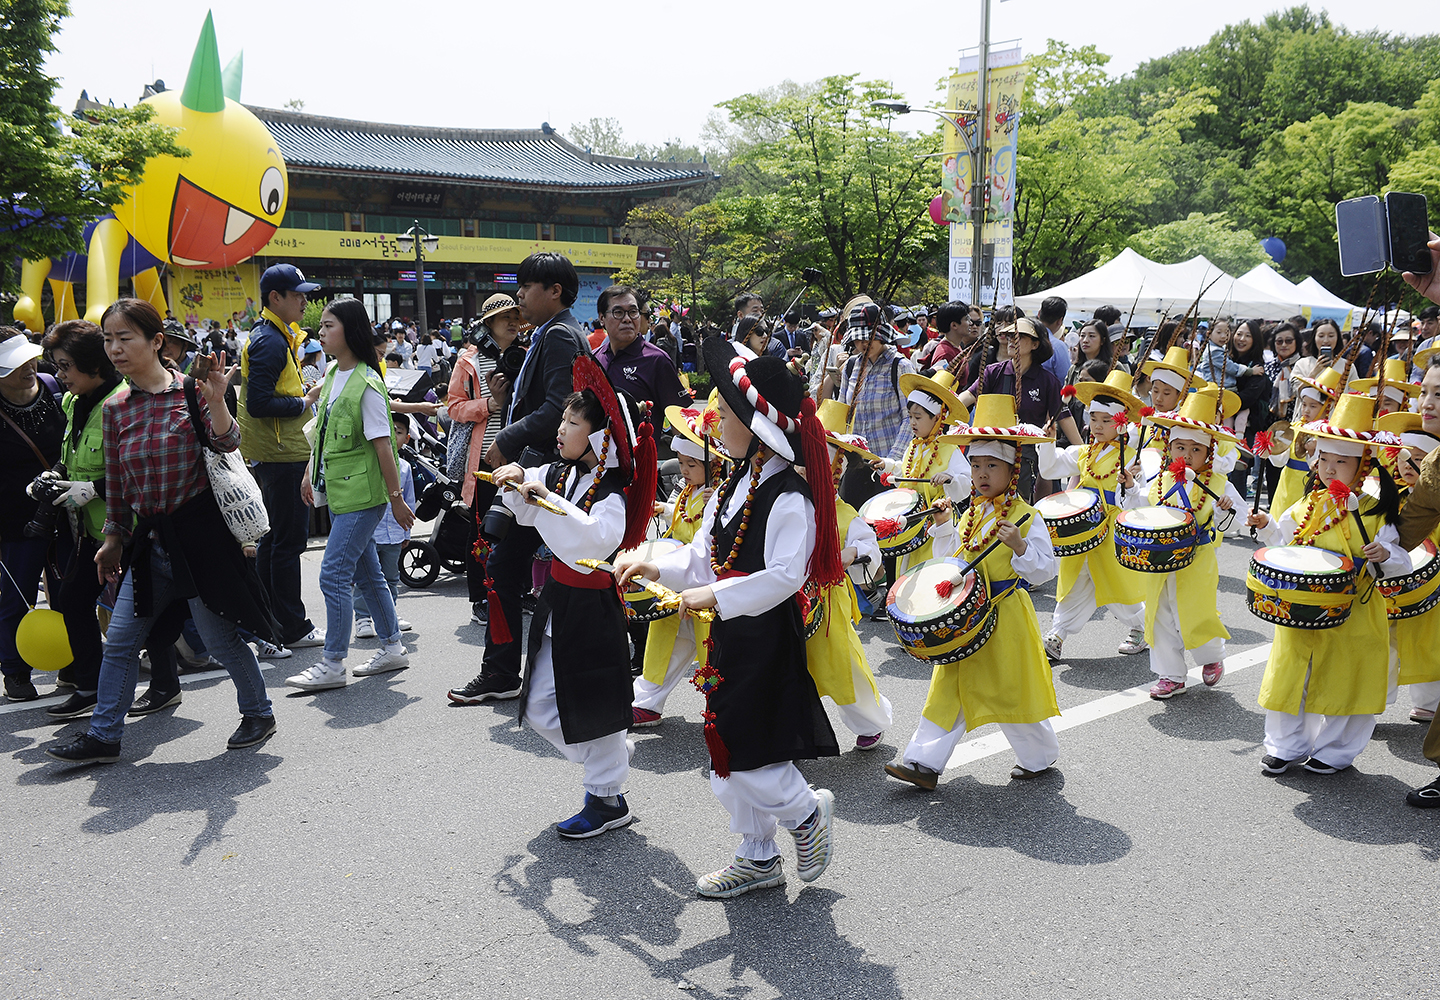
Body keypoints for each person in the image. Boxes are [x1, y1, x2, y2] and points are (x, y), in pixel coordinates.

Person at [617, 338, 839, 900]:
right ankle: (757, 854)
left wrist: (712, 596)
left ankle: (806, 812)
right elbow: (701, 557)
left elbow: (787, 577)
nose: (713, 417)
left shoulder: (789, 496)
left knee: (752, 750)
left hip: (764, 636)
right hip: (730, 634)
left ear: (755, 426)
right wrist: (655, 562)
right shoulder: (736, 483)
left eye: (724, 410)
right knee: (725, 747)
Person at [44, 299, 278, 764]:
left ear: (155, 342)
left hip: (200, 541)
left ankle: (259, 712)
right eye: (108, 339)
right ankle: (104, 735)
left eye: (124, 337)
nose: (114, 348)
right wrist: (113, 539)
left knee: (218, 640)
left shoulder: (192, 391)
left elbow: (228, 444)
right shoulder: (116, 409)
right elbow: (119, 484)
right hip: (148, 545)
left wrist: (217, 403)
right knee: (122, 642)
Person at [492, 353, 656, 837]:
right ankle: (608, 767)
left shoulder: (611, 491)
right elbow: (528, 508)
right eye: (562, 418)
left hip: (592, 605)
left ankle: (606, 796)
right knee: (541, 704)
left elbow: (590, 540)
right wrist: (516, 483)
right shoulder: (562, 474)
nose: (560, 429)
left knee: (595, 705)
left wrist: (537, 496)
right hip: (558, 600)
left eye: (572, 421)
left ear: (601, 436)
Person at [885, 394, 1062, 790]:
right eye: (976, 465)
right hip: (965, 617)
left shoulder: (1026, 517)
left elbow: (1045, 571)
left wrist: (1019, 546)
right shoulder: (972, 512)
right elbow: (951, 560)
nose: (981, 474)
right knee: (947, 687)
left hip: (1005, 617)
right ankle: (922, 763)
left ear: (1013, 470)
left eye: (992, 466)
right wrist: (947, 525)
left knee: (1012, 689)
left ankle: (1039, 755)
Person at [451, 252, 588, 705]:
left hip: (545, 475)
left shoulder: (560, 336)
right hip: (542, 472)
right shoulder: (551, 333)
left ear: (554, 292)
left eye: (527, 287)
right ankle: (510, 672)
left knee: (515, 570)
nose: (520, 295)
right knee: (511, 568)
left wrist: (505, 441)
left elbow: (557, 409)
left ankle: (512, 672)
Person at [1246, 393, 1407, 774]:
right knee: (1291, 675)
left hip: (1354, 611)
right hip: (1301, 608)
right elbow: (1285, 543)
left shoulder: (1374, 511)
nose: (1330, 468)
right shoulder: (1308, 504)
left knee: (1346, 678)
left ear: (1364, 466)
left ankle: (1335, 751)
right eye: (1324, 459)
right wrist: (1267, 525)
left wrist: (1384, 555)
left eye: (1342, 462)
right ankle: (1285, 746)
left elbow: (1398, 557)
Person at [286, 298, 415, 692]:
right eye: (320, 326)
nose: (320, 333)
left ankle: (332, 663)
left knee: (333, 574)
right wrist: (311, 471)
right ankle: (393, 646)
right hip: (342, 491)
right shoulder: (331, 371)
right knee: (366, 572)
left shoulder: (367, 382)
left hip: (364, 495)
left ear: (350, 330)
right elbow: (322, 431)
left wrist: (396, 498)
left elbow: (383, 448)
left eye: (328, 326)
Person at [1127, 389, 1246, 701]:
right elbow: (1142, 503)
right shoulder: (1162, 478)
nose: (1186, 455)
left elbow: (1235, 520)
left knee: (1195, 611)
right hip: (1159, 557)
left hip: (1197, 557)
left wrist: (1223, 508)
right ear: (1169, 447)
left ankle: (1210, 656)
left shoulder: (1219, 483)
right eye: (1180, 447)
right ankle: (1170, 675)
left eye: (1195, 449)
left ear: (1208, 454)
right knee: (1159, 613)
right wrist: (1130, 487)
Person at [34, 321, 126, 718]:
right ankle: (90, 685)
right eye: (57, 366)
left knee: (140, 614)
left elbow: (135, 470)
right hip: (86, 530)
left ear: (93, 364)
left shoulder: (124, 401)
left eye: (66, 366)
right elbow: (69, 453)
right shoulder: (72, 401)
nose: (60, 375)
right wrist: (55, 474)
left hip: (126, 528)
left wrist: (94, 489)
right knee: (72, 600)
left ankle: (163, 684)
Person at [238, 263, 326, 652]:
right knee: (288, 545)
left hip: (277, 453)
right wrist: (304, 400)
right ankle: (292, 626)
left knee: (275, 544)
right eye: (298, 294)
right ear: (276, 298)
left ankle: (274, 624)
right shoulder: (270, 340)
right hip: (283, 454)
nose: (304, 301)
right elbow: (258, 403)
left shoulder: (272, 335)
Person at [1038, 370, 1148, 661]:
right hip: (1081, 531)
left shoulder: (1133, 457)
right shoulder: (1084, 452)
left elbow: (1139, 501)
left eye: (1106, 420)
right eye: (1094, 418)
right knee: (1073, 584)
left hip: (1111, 532)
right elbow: (1050, 469)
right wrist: (1048, 442)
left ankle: (1140, 627)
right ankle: (1057, 635)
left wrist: (1131, 485)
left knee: (1119, 586)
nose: (1098, 426)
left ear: (1121, 424)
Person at [631, 405, 727, 726]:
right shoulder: (689, 492)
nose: (683, 470)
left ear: (712, 466)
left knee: (709, 650)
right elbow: (681, 514)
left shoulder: (717, 495)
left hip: (701, 586)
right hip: (676, 583)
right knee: (663, 645)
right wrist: (663, 508)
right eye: (682, 463)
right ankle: (647, 702)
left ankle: (722, 706)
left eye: (691, 464)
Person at [448, 294, 522, 625]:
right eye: (504, 316)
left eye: (515, 315)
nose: (511, 321)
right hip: (485, 461)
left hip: (522, 458)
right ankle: (480, 597)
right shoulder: (469, 362)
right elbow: (453, 407)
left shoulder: (529, 355)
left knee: (520, 527)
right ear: (488, 324)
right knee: (482, 531)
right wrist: (489, 406)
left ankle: (514, 591)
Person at [0, 330, 65, 702]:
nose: (29, 367)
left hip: (65, 511)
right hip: (15, 520)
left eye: (29, 359)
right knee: (17, 597)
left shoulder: (54, 387)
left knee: (69, 593)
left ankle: (73, 666)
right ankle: (15, 671)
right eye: (16, 365)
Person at [958, 317, 1082, 500]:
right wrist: (943, 409)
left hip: (1023, 460)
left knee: (1017, 511)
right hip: (988, 456)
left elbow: (1063, 417)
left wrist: (1086, 454)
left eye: (1019, 336)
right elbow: (965, 399)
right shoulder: (993, 372)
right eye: (1009, 336)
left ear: (1035, 344)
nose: (1011, 340)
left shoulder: (1047, 381)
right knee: (982, 510)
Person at [819, 301, 919, 509]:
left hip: (888, 468)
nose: (864, 343)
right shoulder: (850, 367)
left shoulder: (900, 366)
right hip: (854, 465)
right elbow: (843, 411)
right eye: (859, 338)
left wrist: (891, 461)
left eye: (870, 336)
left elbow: (910, 418)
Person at [1374, 411, 1440, 725]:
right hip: (1393, 586)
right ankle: (1375, 696)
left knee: (1427, 642)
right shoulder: (1390, 497)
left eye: (1417, 457)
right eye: (1403, 456)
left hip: (1431, 587)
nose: (1407, 463)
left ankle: (1429, 700)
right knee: (1383, 641)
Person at [352, 417, 415, 640]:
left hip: (394, 534)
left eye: (397, 432)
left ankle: (389, 615)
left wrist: (406, 532)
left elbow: (409, 501)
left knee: (390, 576)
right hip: (371, 533)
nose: (391, 435)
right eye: (388, 430)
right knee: (366, 577)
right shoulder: (367, 462)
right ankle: (362, 618)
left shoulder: (406, 467)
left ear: (406, 439)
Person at [922, 300, 979, 374]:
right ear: (954, 325)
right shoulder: (946, 354)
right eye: (966, 319)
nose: (970, 323)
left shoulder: (955, 346)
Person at [1035, 295, 1074, 385]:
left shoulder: (1023, 339)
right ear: (1060, 321)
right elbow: (1066, 381)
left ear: (1039, 313)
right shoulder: (1058, 346)